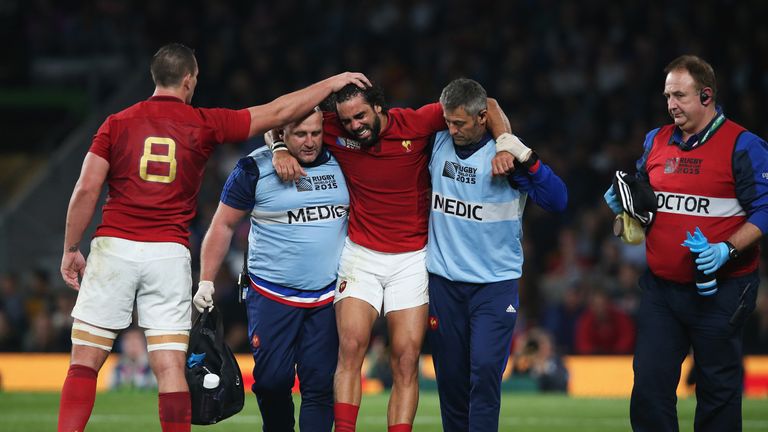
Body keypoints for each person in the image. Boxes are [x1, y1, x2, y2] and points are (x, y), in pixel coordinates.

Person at [57, 41, 369, 432]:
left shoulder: (115, 123)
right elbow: (276, 113)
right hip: (168, 254)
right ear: (189, 80)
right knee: (170, 366)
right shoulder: (202, 122)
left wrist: (71, 247)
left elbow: (86, 189)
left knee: (84, 362)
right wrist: (333, 81)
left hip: (114, 246)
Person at [270, 84, 513, 432]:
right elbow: (276, 116)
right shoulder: (331, 126)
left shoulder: (416, 123)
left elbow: (487, 102)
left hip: (412, 260)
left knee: (405, 358)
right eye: (347, 120)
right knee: (351, 346)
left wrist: (504, 142)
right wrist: (279, 147)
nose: (354, 125)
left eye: (361, 115)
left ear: (380, 108)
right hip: (361, 255)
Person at [604, 54, 765, 431]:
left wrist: (727, 249)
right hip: (662, 290)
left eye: (679, 96)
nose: (670, 105)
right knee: (649, 386)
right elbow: (643, 199)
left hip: (724, 288)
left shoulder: (744, 145)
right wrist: (625, 207)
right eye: (667, 96)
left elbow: (765, 208)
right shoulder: (655, 140)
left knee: (717, 391)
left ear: (707, 96)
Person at [426, 78, 567, 431]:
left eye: (460, 123)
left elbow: (558, 200)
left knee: (486, 372)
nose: (452, 129)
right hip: (445, 284)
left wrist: (520, 153)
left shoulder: (506, 159)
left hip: (494, 285)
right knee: (451, 379)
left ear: (482, 118)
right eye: (448, 121)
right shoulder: (436, 143)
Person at [197, 108, 348, 431]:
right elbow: (222, 225)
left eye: (316, 134)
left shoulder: (344, 162)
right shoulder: (254, 168)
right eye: (300, 135)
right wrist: (205, 281)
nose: (310, 142)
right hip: (271, 295)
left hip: (326, 297)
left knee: (320, 386)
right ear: (281, 134)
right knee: (272, 381)